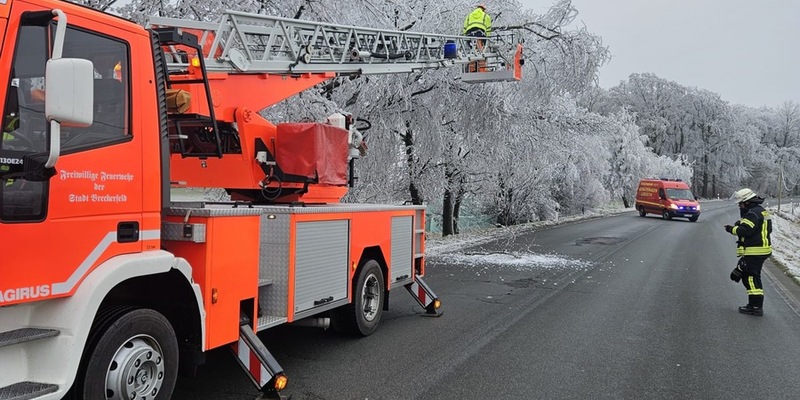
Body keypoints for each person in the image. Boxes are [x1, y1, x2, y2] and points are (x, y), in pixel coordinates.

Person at [724, 188, 772, 316]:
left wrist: (731, 229)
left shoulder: (752, 214)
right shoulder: (761, 211)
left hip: (755, 250)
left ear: (747, 202)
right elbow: (762, 228)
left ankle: (755, 306)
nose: (740, 206)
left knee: (750, 277)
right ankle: (754, 305)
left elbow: (744, 231)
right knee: (750, 275)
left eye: (741, 203)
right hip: (762, 249)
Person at [462, 4, 492, 73]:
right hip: (479, 34)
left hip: (469, 34)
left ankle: (472, 69)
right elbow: (488, 29)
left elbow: (464, 27)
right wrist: (487, 39)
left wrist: (464, 36)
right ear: (484, 9)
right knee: (480, 52)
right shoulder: (485, 16)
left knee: (472, 51)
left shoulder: (469, 15)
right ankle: (482, 69)